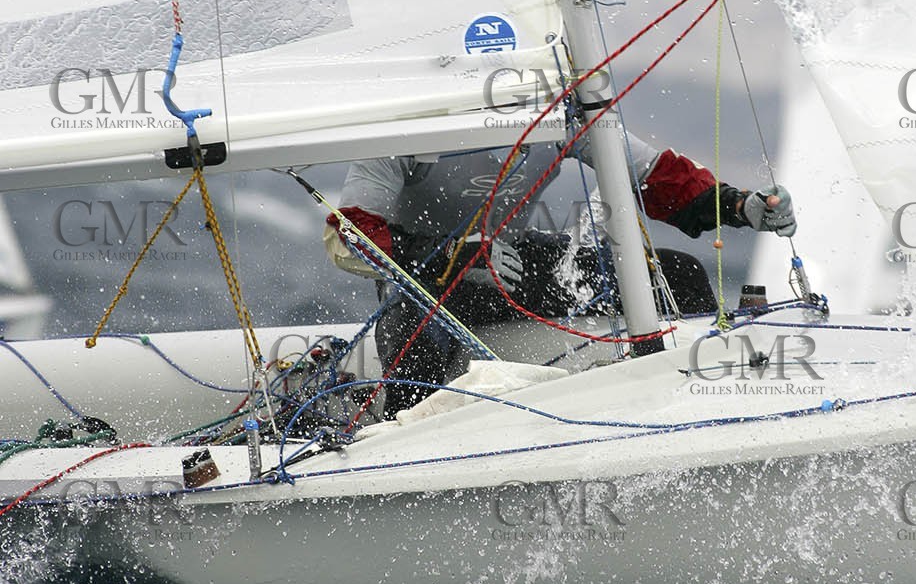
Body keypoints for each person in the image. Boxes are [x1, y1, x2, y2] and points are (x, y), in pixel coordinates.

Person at [324, 135, 795, 416]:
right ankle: (411, 459)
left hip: (517, 266)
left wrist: (738, 205)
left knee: (678, 274)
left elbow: (657, 177)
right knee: (415, 339)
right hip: (429, 284)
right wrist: (453, 255)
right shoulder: (409, 127)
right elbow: (348, 236)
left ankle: (702, 409)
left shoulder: (554, 103)